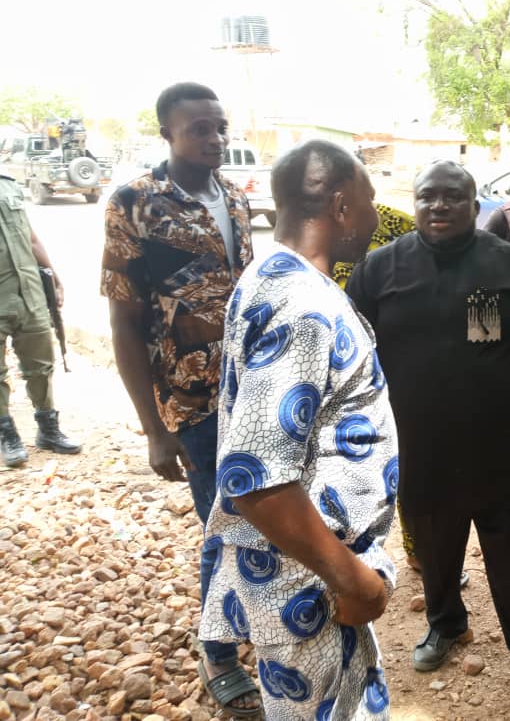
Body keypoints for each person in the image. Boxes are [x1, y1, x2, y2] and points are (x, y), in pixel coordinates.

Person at [348, 160, 510, 721]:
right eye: (427, 196)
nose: (439, 206)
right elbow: (350, 354)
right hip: (421, 453)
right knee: (434, 551)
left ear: (473, 202)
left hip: (501, 454)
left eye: (452, 197)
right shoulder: (380, 270)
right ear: (414, 201)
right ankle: (446, 623)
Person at [199, 140, 395, 719]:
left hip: (310, 574)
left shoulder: (268, 273)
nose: (374, 214)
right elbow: (256, 479)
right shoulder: (303, 307)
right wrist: (353, 580)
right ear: (339, 208)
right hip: (308, 586)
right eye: (369, 200)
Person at [101, 82, 259, 715]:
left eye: (219, 126)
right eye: (199, 128)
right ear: (167, 132)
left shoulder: (238, 199)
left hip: (252, 391)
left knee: (260, 510)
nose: (214, 138)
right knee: (220, 523)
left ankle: (258, 616)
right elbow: (122, 323)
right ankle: (218, 650)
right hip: (190, 404)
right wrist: (153, 430)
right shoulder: (135, 203)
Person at [332, 203, 469, 589]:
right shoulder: (315, 226)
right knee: (351, 469)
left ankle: (420, 552)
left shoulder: (392, 223)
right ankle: (348, 559)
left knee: (413, 466)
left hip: (399, 367)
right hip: (342, 369)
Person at [0, 173, 81, 467]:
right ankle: (6, 433)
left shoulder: (8, 184)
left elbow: (30, 237)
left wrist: (53, 276)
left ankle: (47, 429)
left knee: (41, 366)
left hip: (29, 293)